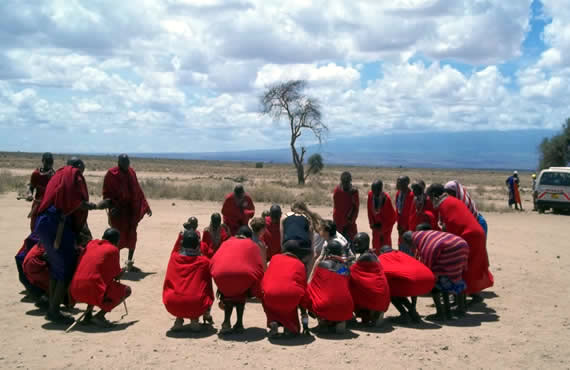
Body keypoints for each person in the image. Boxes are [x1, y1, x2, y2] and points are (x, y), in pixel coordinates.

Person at [35, 157, 97, 324]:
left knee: (57, 267)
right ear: (77, 167)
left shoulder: (59, 175)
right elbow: (74, 202)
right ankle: (54, 311)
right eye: (81, 170)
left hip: (43, 223)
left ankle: (51, 308)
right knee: (67, 267)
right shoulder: (72, 174)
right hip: (56, 225)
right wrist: (92, 206)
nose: (81, 174)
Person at [427, 184, 494, 303]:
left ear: (434, 195)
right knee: (470, 266)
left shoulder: (444, 205)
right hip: (475, 234)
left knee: (462, 267)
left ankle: (465, 300)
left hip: (469, 236)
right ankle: (470, 296)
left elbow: (450, 227)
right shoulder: (451, 200)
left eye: (430, 198)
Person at [99, 154, 151, 273]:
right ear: (119, 162)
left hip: (130, 211)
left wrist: (145, 205)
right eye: (124, 162)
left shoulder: (131, 172)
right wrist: (111, 206)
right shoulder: (111, 174)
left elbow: (137, 189)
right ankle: (114, 265)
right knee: (116, 237)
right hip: (118, 212)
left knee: (132, 236)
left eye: (128, 162)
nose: (127, 165)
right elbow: (106, 193)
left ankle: (129, 263)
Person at [401, 230, 469, 321]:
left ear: (410, 241)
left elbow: (427, 263)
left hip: (451, 248)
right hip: (462, 244)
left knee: (435, 282)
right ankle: (460, 309)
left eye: (408, 244)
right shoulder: (424, 236)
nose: (410, 247)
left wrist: (427, 276)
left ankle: (441, 313)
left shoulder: (425, 244)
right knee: (456, 277)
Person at [70, 228, 132, 328]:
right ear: (116, 241)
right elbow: (117, 276)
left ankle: (88, 315)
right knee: (126, 290)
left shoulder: (91, 244)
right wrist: (125, 268)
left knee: (96, 280)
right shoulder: (113, 249)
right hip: (91, 290)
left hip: (75, 290)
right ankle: (99, 316)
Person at [210, 226, 264, 334]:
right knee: (242, 286)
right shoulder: (252, 245)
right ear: (249, 237)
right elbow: (259, 267)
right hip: (242, 278)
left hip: (221, 275)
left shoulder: (226, 243)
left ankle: (226, 322)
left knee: (228, 292)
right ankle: (239, 323)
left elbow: (214, 260)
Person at [163, 230, 214, 332]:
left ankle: (178, 319)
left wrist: (179, 238)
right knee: (205, 286)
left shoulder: (174, 258)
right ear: (197, 245)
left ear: (182, 244)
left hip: (172, 305)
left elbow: (175, 249)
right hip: (197, 305)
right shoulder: (204, 262)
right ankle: (194, 319)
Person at [261, 240, 311, 337]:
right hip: (289, 299)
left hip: (270, 298)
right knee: (293, 295)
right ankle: (289, 328)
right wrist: (305, 324)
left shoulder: (274, 259)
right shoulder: (300, 264)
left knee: (268, 294)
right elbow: (303, 290)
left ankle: (273, 321)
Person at [379, 245, 435, 324]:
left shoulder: (383, 258)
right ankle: (414, 313)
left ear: (381, 253)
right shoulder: (401, 254)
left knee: (391, 292)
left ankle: (404, 315)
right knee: (403, 287)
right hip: (428, 280)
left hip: (414, 282)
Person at [306, 240, 354, 334]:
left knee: (310, 291)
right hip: (346, 307)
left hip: (326, 306)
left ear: (327, 251)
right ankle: (337, 321)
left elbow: (313, 285)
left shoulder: (323, 265)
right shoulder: (345, 268)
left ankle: (323, 323)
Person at [349, 233, 390, 327]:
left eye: (358, 243)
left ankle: (355, 316)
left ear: (366, 243)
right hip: (381, 297)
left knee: (346, 285)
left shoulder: (365, 257)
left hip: (376, 298)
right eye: (354, 243)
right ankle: (370, 314)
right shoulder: (371, 254)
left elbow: (351, 272)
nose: (355, 245)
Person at [281, 201, 322, 276]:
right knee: (307, 261)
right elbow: (311, 240)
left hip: (289, 245)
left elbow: (282, 238)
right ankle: (307, 280)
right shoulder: (308, 217)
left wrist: (283, 251)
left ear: (292, 209)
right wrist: (311, 255)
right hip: (303, 246)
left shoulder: (284, 216)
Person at [26, 152, 55, 232]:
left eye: (51, 162)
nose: (49, 164)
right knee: (35, 228)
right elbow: (31, 186)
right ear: (42, 161)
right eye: (47, 161)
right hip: (38, 205)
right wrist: (29, 194)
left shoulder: (55, 175)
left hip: (50, 206)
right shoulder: (36, 174)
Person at [367, 180, 397, 253]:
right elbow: (369, 210)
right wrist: (372, 224)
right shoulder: (371, 195)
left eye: (375, 190)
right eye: (372, 189)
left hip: (385, 228)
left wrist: (382, 228)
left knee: (385, 246)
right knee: (376, 246)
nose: (373, 192)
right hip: (375, 227)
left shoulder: (386, 199)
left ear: (380, 189)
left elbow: (392, 218)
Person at [332, 172, 359, 241]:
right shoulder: (337, 191)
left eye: (347, 182)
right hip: (338, 222)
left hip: (350, 223)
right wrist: (339, 223)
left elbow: (356, 208)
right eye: (344, 182)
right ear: (341, 181)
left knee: (352, 243)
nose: (346, 184)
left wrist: (350, 221)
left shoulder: (354, 192)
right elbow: (337, 208)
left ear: (350, 181)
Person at [395, 176, 415, 244]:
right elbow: (398, 209)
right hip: (400, 224)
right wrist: (399, 224)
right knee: (401, 242)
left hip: (408, 225)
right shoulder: (398, 193)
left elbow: (412, 213)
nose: (398, 184)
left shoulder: (411, 195)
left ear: (406, 183)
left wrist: (405, 226)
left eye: (400, 182)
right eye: (398, 182)